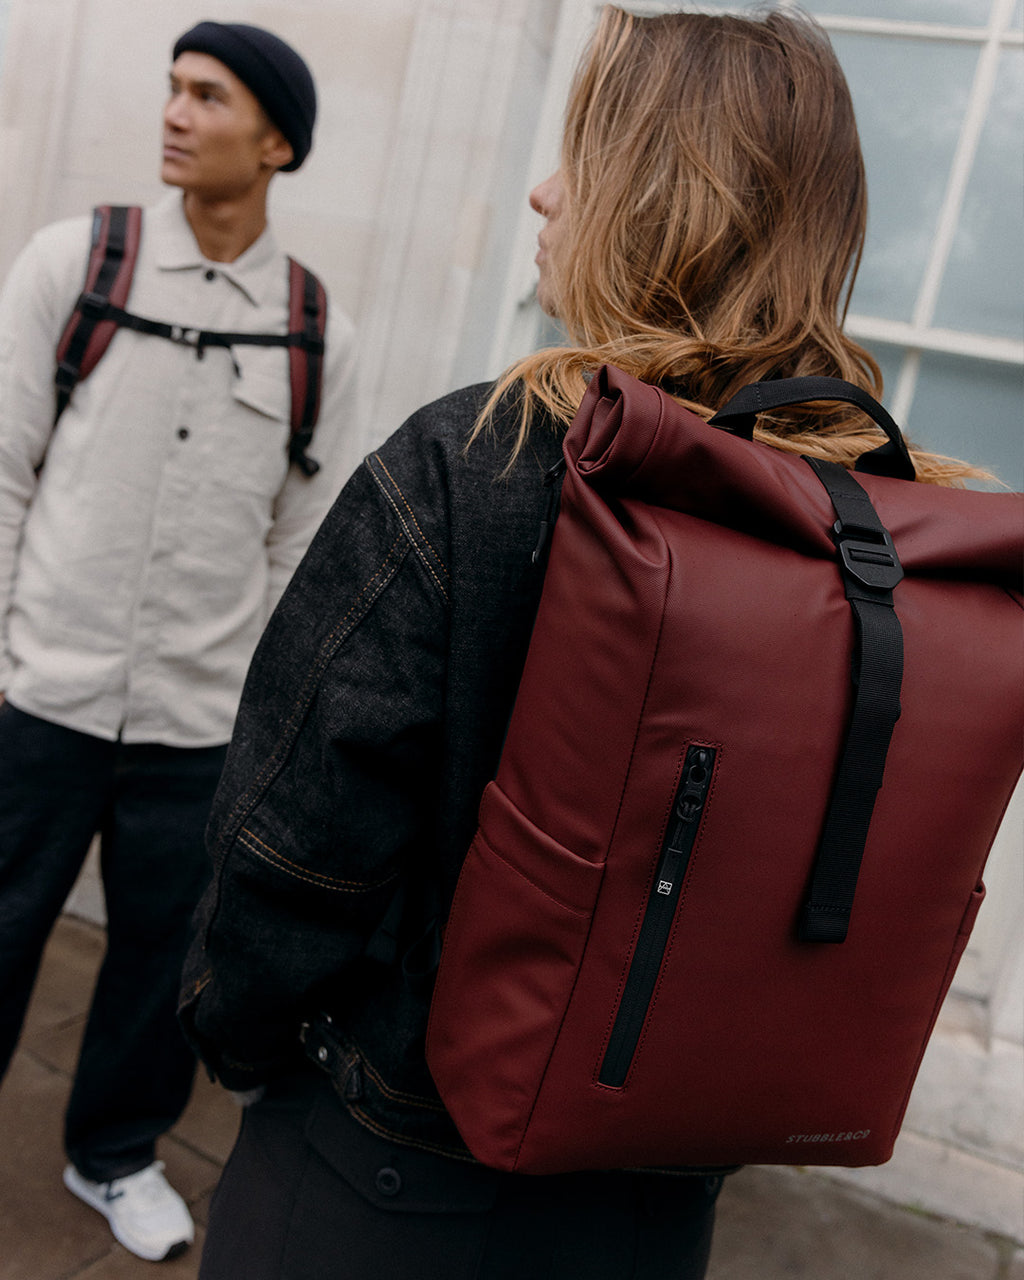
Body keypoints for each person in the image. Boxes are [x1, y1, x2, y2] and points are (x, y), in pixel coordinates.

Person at [179, 8, 983, 1279]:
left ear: (658, 196)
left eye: (585, 153)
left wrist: (243, 1045)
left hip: (383, 1171)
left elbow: (289, 847)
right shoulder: (879, 534)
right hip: (655, 1203)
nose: (546, 193)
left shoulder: (482, 459)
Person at [0, 20, 358, 1265]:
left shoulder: (317, 329)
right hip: (40, 694)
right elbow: (1, 473)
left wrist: (249, 700)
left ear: (275, 142)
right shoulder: (75, 262)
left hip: (197, 728)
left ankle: (113, 1154)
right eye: (171, 88)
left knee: (164, 965)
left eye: (207, 97)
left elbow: (301, 544)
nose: (174, 111)